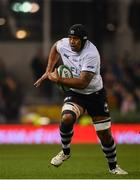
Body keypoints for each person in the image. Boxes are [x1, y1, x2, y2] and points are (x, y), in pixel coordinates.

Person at [34, 24, 128, 175]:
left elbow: (83, 82)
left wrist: (58, 79)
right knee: (66, 118)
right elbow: (55, 47)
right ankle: (65, 151)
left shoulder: (91, 54)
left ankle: (113, 167)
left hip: (95, 95)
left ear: (84, 40)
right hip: (76, 94)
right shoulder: (64, 44)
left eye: (76, 39)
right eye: (71, 38)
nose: (72, 42)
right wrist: (48, 70)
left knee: (105, 135)